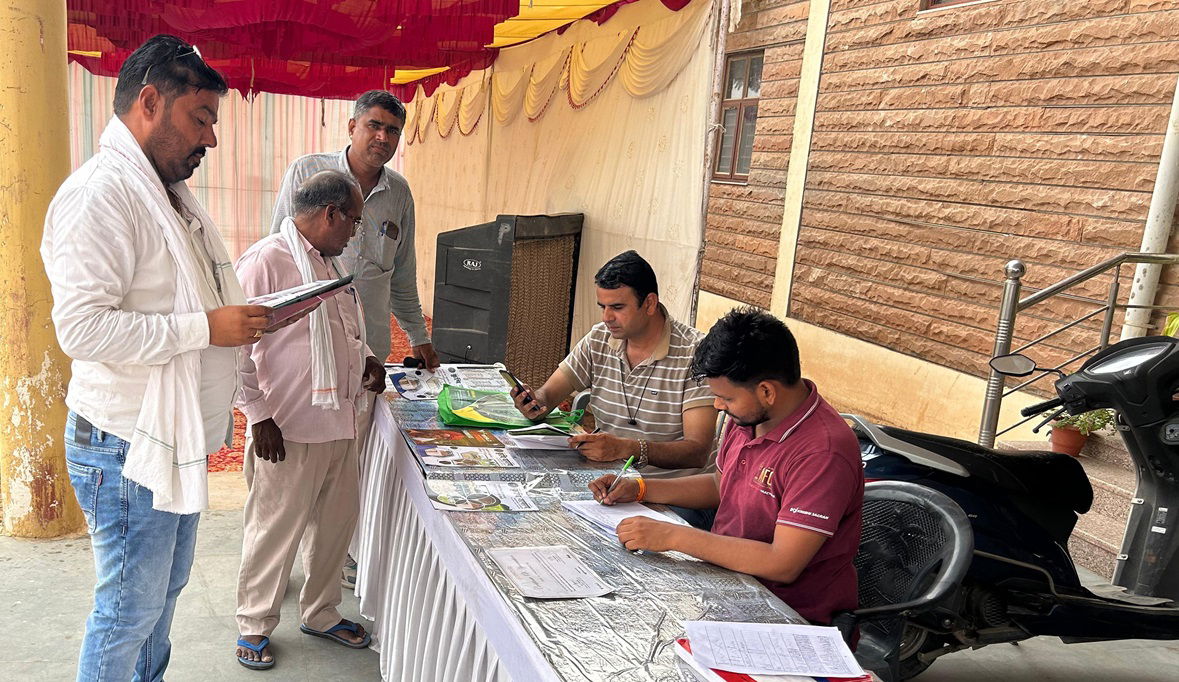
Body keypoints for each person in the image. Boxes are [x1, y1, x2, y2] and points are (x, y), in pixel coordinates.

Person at [41, 35, 270, 681]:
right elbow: (82, 330)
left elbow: (188, 301)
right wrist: (204, 328)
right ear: (149, 101)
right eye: (201, 119)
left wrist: (241, 319)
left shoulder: (164, 194)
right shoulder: (102, 195)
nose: (211, 140)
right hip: (124, 444)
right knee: (126, 611)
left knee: (159, 599)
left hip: (167, 438)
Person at [589, 308, 864, 625]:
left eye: (726, 399)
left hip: (787, 614)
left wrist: (674, 537)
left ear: (766, 391)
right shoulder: (751, 415)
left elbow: (782, 562)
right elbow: (722, 485)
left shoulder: (823, 451)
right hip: (727, 585)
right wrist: (640, 488)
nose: (718, 406)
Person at [233, 171, 387, 669]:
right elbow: (236, 346)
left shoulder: (328, 264)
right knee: (274, 530)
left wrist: (363, 356)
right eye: (355, 222)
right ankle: (254, 624)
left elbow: (339, 330)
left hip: (341, 420)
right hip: (289, 425)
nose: (355, 232)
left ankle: (320, 612)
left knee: (335, 527)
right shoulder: (267, 262)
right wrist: (258, 415)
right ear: (330, 214)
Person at [511, 251, 717, 487]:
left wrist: (627, 448)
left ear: (649, 303)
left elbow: (697, 451)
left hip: (674, 493)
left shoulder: (694, 352)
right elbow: (548, 395)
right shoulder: (599, 338)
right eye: (603, 307)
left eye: (617, 307)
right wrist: (534, 402)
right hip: (609, 480)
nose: (607, 317)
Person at [270, 89, 436, 370]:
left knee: (367, 413)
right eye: (374, 125)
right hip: (310, 338)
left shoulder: (399, 193)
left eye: (393, 131)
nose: (383, 137)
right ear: (352, 127)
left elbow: (402, 273)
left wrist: (418, 336)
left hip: (371, 346)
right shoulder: (307, 171)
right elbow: (277, 250)